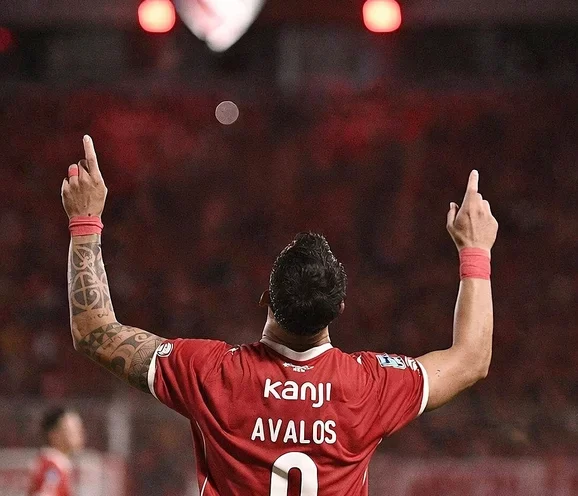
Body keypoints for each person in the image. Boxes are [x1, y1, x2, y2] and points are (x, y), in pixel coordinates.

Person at [61, 135, 498, 495]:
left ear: (265, 299)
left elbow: (94, 331)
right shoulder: (369, 387)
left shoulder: (211, 374)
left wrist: (85, 221)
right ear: (339, 309)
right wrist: (475, 251)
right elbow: (472, 359)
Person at [28, 407, 85, 496]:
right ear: (54, 434)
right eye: (72, 430)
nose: (80, 434)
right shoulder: (53, 467)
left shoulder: (54, 463)